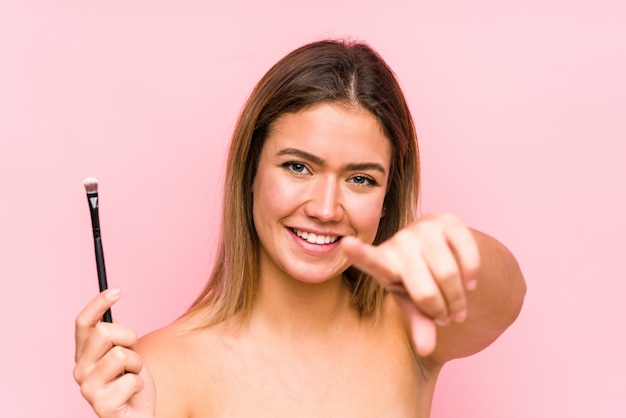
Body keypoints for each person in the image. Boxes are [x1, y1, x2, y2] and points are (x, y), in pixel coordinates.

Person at [74, 39, 526, 417]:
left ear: (388, 195)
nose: (326, 208)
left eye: (361, 179)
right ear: (251, 171)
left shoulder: (408, 326)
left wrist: (454, 247)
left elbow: (507, 297)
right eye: (298, 167)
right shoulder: (159, 370)